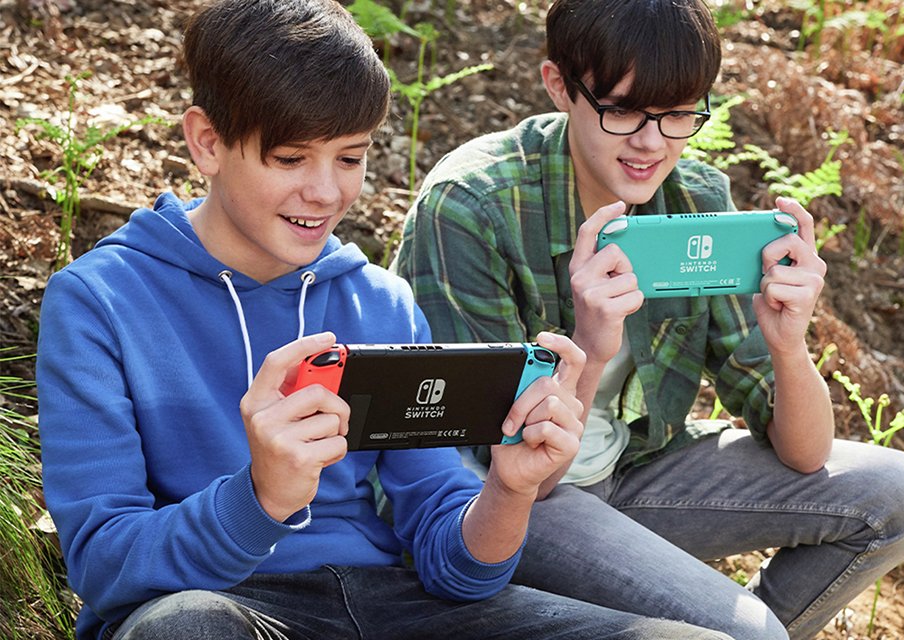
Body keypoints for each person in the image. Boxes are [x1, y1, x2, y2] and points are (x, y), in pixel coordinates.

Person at [35, 2, 735, 639]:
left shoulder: (378, 301)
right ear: (208, 142)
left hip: (391, 604)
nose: (326, 190)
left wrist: (509, 489)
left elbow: (454, 564)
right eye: (289, 158)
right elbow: (102, 566)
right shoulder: (100, 303)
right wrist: (259, 497)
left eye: (351, 158)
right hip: (224, 607)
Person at [392, 0, 904, 638]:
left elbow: (806, 453)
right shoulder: (474, 208)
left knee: (899, 493)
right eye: (621, 110)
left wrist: (790, 348)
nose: (652, 143)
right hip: (508, 502)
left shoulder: (695, 201)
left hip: (634, 469)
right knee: (747, 632)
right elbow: (506, 476)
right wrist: (591, 349)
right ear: (559, 86)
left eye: (679, 113)